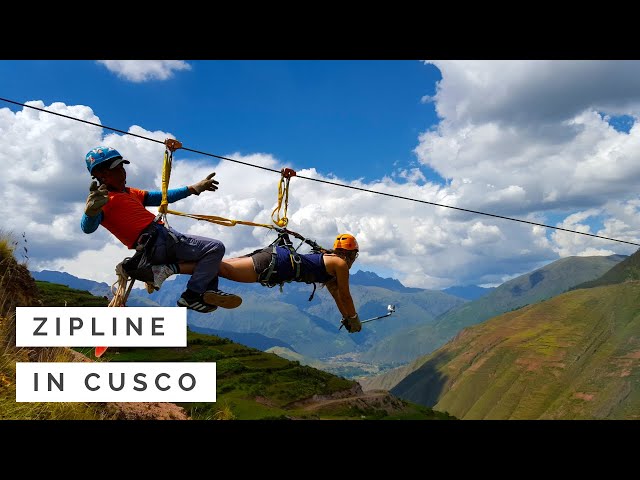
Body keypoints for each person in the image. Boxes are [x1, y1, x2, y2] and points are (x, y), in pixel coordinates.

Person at [80, 145, 242, 313]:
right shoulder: (102, 202)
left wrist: (193, 188)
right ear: (101, 175)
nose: (123, 172)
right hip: (159, 241)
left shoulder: (129, 192)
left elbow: (161, 197)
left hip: (158, 243)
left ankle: (207, 291)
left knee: (206, 260)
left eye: (122, 167)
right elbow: (87, 228)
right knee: (214, 248)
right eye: (117, 169)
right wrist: (90, 212)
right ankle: (192, 295)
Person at [218, 232, 362, 333]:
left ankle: (202, 281)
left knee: (219, 266)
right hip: (275, 265)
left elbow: (337, 296)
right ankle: (201, 288)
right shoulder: (340, 264)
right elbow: (345, 295)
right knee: (222, 269)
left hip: (274, 258)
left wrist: (347, 317)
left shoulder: (330, 261)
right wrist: (354, 318)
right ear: (353, 254)